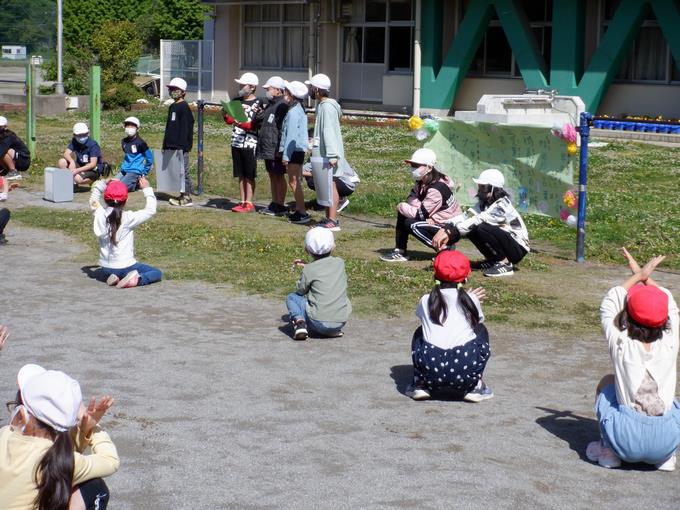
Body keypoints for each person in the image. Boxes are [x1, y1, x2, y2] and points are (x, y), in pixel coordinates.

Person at [586, 249, 680, 471]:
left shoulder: (621, 342)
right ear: (665, 320)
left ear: (628, 315)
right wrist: (646, 278)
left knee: (607, 383)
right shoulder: (671, 340)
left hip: (624, 440)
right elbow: (669, 304)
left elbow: (609, 302)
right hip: (665, 440)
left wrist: (638, 276)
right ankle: (666, 458)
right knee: (673, 403)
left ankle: (609, 451)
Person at [0, 368, 119, 510]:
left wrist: (83, 429)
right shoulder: (59, 461)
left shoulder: (4, 434)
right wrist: (94, 426)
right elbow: (110, 461)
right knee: (95, 487)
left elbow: (56, 452)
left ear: (21, 414)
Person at [405, 250, 493, 402]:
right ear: (466, 276)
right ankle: (475, 386)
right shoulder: (472, 299)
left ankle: (420, 383)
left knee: (420, 332)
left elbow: (425, 318)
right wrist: (471, 298)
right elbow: (476, 322)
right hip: (464, 368)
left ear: (435, 275)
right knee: (480, 330)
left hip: (431, 369)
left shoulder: (426, 300)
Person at [432, 168, 529, 277]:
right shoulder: (485, 203)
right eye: (479, 186)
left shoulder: (501, 205)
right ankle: (493, 260)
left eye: (483, 187)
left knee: (480, 227)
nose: (479, 190)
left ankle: (505, 264)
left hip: (518, 248)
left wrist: (450, 232)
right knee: (472, 229)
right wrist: (446, 226)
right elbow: (466, 216)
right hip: (508, 243)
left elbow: (477, 220)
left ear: (494, 188)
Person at [380, 148, 462, 262]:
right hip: (435, 221)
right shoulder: (422, 182)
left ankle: (444, 249)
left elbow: (419, 215)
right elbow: (411, 198)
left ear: (429, 168)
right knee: (404, 214)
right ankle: (400, 251)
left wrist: (401, 206)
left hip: (448, 228)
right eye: (412, 165)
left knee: (410, 223)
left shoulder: (437, 188)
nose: (412, 168)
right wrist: (419, 207)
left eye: (416, 165)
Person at [89, 177, 162, 288]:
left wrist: (102, 183)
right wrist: (147, 189)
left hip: (106, 268)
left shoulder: (99, 214)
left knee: (105, 271)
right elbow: (150, 210)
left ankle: (112, 277)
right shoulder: (128, 218)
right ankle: (136, 280)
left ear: (105, 199)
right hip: (126, 266)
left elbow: (93, 199)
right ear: (125, 200)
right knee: (156, 273)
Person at [286, 227, 351, 340]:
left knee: (292, 297)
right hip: (340, 322)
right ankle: (331, 330)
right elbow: (324, 270)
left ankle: (300, 323)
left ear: (306, 249)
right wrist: (309, 266)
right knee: (342, 297)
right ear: (333, 247)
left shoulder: (309, 269)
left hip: (318, 323)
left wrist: (306, 269)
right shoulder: (340, 263)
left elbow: (300, 291)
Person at [306, 73, 347, 231]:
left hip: (328, 155)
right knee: (326, 186)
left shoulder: (327, 107)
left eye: (311, 87)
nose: (310, 89)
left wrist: (332, 155)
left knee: (331, 185)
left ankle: (332, 220)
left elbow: (329, 131)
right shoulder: (322, 105)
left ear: (317, 89)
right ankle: (328, 217)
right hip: (322, 153)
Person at [225, 72, 262, 213]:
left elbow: (257, 123)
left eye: (243, 85)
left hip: (250, 142)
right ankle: (242, 200)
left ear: (252, 87)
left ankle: (249, 202)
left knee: (249, 173)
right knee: (240, 173)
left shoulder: (259, 103)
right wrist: (227, 115)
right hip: (236, 141)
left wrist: (242, 123)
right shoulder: (237, 100)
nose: (240, 87)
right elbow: (229, 119)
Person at [256, 76, 289, 216]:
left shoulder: (282, 105)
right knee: (272, 175)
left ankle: (280, 204)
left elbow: (282, 128)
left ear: (277, 90)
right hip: (268, 146)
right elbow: (263, 121)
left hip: (275, 147)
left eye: (268, 89)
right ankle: (275, 202)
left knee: (279, 176)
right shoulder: (271, 104)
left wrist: (281, 149)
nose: (267, 92)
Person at [279, 80, 310, 225]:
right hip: (298, 150)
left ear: (291, 94)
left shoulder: (293, 112)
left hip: (294, 150)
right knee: (295, 181)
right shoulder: (300, 110)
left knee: (294, 182)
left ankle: (302, 211)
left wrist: (286, 155)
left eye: (287, 91)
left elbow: (291, 136)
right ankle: (300, 209)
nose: (284, 93)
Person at [164, 77, 195, 207]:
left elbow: (186, 128)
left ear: (183, 92)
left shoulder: (184, 107)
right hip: (171, 144)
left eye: (175, 89)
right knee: (176, 171)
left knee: (183, 171)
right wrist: (166, 144)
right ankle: (182, 194)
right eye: (171, 89)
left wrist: (182, 146)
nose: (172, 91)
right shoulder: (172, 106)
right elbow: (169, 127)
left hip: (180, 146)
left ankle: (187, 196)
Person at [58, 122, 103, 187]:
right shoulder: (75, 141)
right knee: (62, 162)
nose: (82, 137)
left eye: (84, 135)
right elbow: (66, 153)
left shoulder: (93, 145)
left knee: (77, 178)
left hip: (93, 170)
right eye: (79, 135)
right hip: (81, 165)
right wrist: (71, 161)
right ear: (74, 135)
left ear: (87, 133)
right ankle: (70, 185)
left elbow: (92, 164)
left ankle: (94, 180)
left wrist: (76, 170)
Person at [115, 117, 153, 192]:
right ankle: (133, 182)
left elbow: (150, 158)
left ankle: (136, 184)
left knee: (120, 188)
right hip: (124, 170)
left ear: (137, 128)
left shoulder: (141, 143)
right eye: (127, 126)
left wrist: (144, 172)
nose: (129, 128)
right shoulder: (123, 141)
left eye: (132, 126)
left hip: (135, 171)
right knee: (112, 185)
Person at [0, 116, 31, 181]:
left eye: (0, 127)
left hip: (23, 161)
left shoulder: (8, 136)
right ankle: (6, 171)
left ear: (5, 127)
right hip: (15, 158)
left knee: (3, 151)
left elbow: (1, 150)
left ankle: (13, 172)